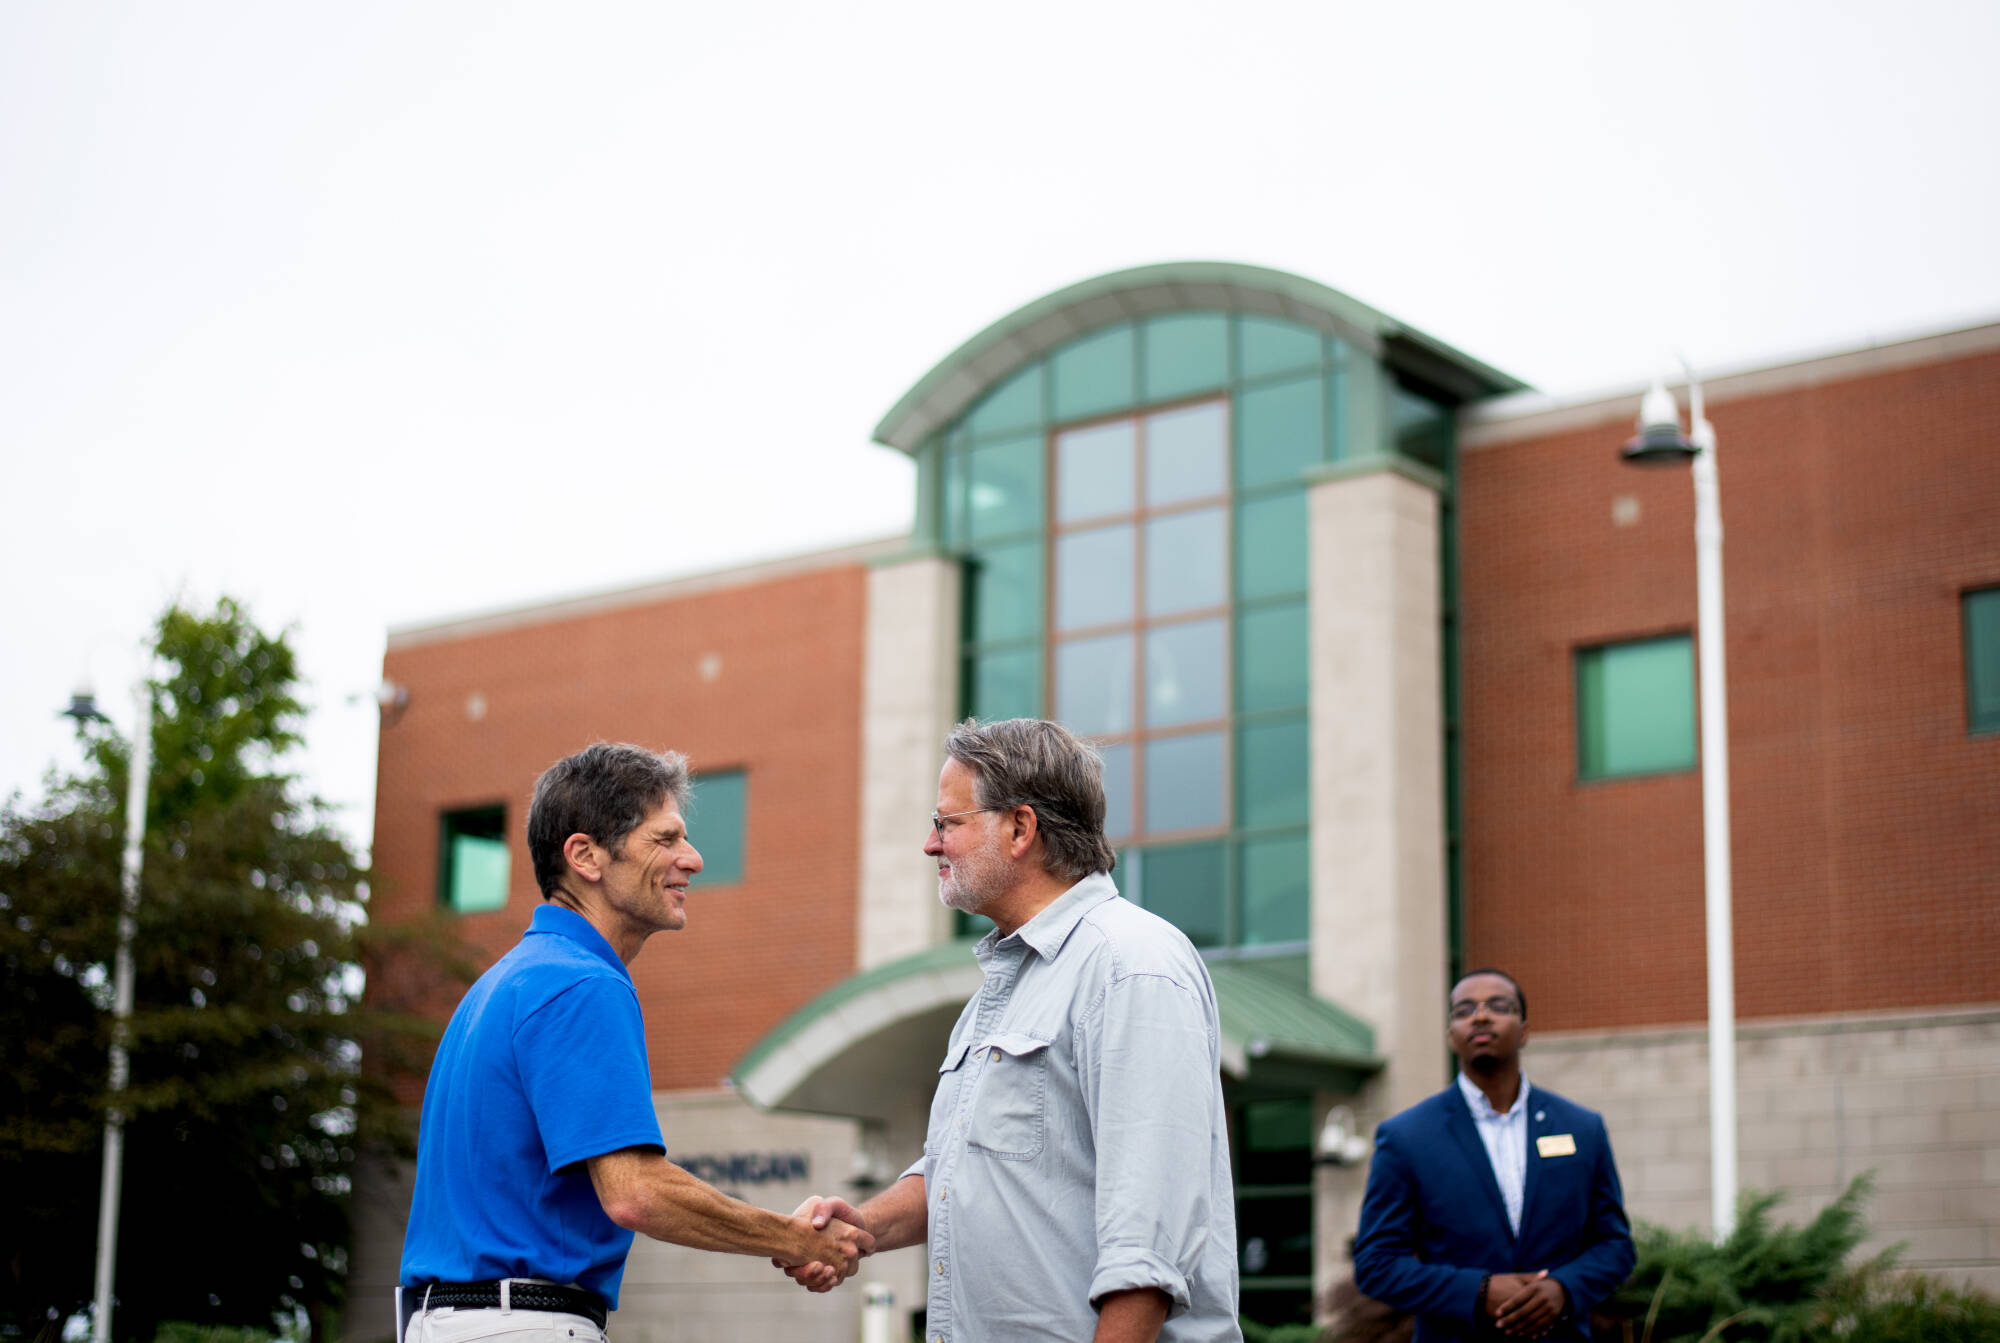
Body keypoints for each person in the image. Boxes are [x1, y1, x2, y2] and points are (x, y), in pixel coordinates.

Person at [787, 718, 1242, 1343]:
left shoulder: (1132, 963)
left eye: (947, 823)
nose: (930, 844)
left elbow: (1148, 1247)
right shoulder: (1002, 991)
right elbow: (959, 1173)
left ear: (1021, 828)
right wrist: (858, 1227)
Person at [399, 742, 872, 1341]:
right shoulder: (580, 983)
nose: (693, 859)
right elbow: (636, 1192)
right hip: (519, 1326)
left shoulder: (503, 985)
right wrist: (794, 1238)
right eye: (665, 838)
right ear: (586, 856)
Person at [1352, 969, 1635, 1340]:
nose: (1481, 1016)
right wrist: (1478, 1290)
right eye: (1464, 1010)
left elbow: (1615, 1247)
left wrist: (1564, 1289)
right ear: (1451, 1035)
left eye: (1499, 1006)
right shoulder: (1406, 1137)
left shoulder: (1583, 1128)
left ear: (1525, 1029)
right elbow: (1377, 1264)